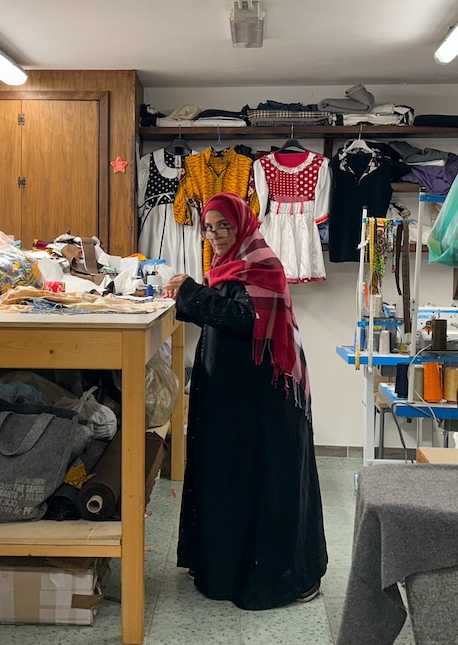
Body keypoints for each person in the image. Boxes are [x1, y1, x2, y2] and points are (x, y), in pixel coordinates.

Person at [163, 191, 328, 610]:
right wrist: (190, 295)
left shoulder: (262, 263)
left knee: (264, 483)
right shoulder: (228, 264)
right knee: (230, 478)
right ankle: (224, 570)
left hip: (264, 405)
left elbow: (244, 318)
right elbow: (222, 311)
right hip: (234, 401)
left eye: (224, 226)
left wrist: (191, 293)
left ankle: (281, 575)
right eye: (209, 227)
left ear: (242, 225)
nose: (216, 234)